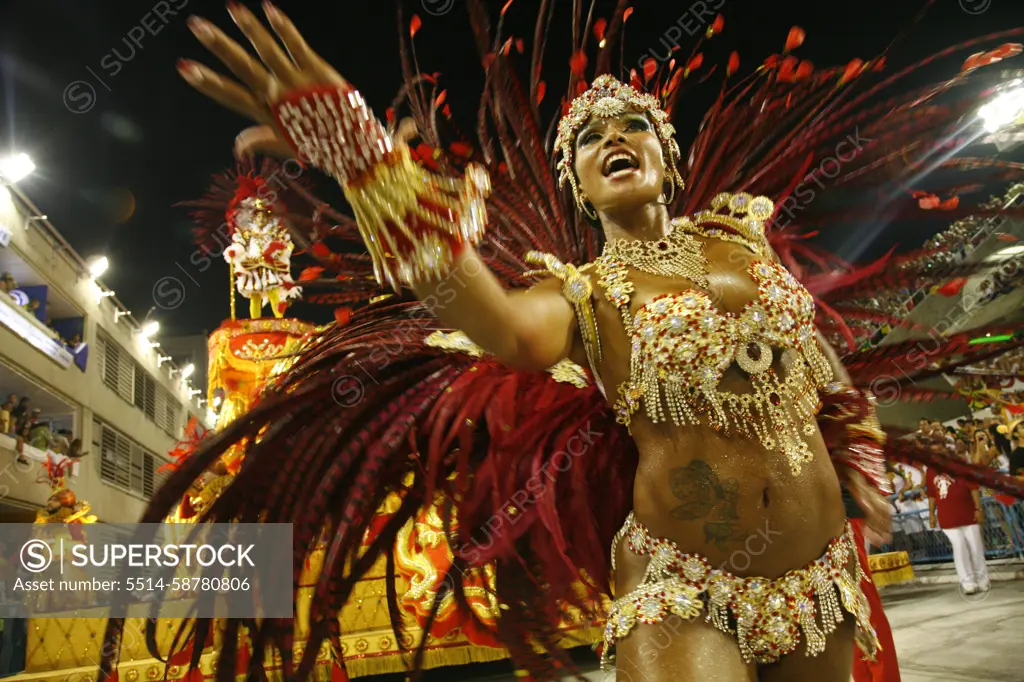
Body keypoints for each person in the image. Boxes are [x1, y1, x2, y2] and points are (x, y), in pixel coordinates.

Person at [106, 5, 1024, 682]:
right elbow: (497, 325)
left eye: (632, 127)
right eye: (590, 140)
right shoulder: (582, 295)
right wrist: (363, 155)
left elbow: (824, 367)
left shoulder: (745, 239)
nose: (614, 138)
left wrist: (855, 443)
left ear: (667, 153)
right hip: (686, 581)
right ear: (581, 187)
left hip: (819, 576)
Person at [926, 450, 989, 595]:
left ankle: (982, 580)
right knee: (959, 547)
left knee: (975, 547)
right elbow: (931, 494)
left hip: (968, 514)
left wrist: (978, 508)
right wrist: (931, 514)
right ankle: (967, 583)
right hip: (947, 517)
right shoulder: (930, 471)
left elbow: (973, 488)